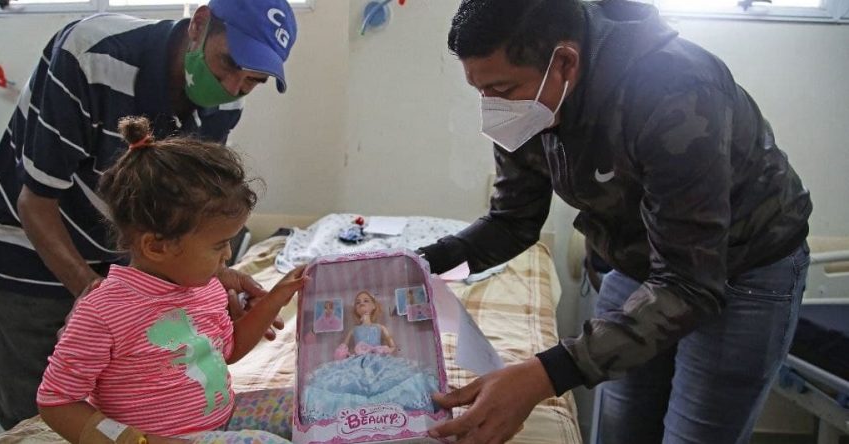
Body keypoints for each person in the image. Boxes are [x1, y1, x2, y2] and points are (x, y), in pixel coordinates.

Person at [420, 1, 812, 443]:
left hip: (743, 266)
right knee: (622, 428)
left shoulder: (674, 92)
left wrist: (543, 375)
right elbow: (513, 222)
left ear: (565, 61)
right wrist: (424, 263)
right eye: (481, 91)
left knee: (696, 435)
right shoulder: (528, 103)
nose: (492, 108)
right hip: (641, 260)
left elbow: (689, 284)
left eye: (504, 90)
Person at [0, 0, 298, 430]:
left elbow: (190, 214)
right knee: (31, 416)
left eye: (251, 80)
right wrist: (100, 299)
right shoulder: (92, 55)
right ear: (199, 24)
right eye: (229, 63)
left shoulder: (227, 96)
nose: (234, 85)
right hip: (29, 246)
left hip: (127, 260)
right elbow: (35, 202)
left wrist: (206, 272)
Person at [36, 116, 307, 443]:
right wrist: (134, 441)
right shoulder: (103, 313)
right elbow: (56, 401)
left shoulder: (204, 288)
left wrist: (278, 296)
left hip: (222, 418)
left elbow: (228, 351)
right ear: (157, 246)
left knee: (308, 405)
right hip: (167, 438)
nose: (226, 258)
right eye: (219, 245)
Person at [300, 291, 440, 424]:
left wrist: (388, 349)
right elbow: (344, 346)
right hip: (357, 363)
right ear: (355, 309)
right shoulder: (354, 329)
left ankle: (390, 415)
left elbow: (391, 343)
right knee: (344, 382)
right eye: (357, 302)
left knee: (394, 380)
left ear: (373, 306)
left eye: (366, 301)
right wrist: (342, 353)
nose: (361, 304)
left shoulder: (379, 327)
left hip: (379, 361)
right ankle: (356, 418)